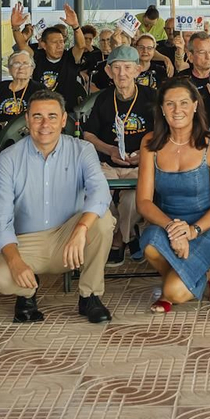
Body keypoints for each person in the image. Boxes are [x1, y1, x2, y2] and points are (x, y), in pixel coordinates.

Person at [0, 89, 115, 324]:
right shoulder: (9, 158)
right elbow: (0, 219)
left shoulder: (82, 150)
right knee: (1, 276)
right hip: (27, 240)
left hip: (68, 237)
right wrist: (15, 262)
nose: (45, 124)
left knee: (103, 220)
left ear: (64, 120)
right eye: (37, 116)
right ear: (27, 120)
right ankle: (26, 295)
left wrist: (81, 229)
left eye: (52, 116)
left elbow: (100, 192)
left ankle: (90, 296)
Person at [137, 78, 210, 311]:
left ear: (195, 106)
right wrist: (173, 229)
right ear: (162, 109)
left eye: (183, 103)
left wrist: (192, 231)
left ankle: (207, 271)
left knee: (173, 293)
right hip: (168, 225)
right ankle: (205, 271)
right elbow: (143, 201)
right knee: (149, 244)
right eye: (170, 104)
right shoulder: (150, 143)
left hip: (208, 226)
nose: (177, 110)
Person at [82, 45, 158, 261]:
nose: (122, 73)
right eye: (116, 68)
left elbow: (162, 132)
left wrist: (144, 154)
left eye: (127, 67)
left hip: (141, 164)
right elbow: (88, 135)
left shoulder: (151, 97)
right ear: (108, 72)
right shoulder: (104, 99)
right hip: (109, 163)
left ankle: (119, 238)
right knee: (97, 193)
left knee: (133, 200)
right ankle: (128, 235)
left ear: (138, 70)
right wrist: (110, 150)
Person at [15, 22, 85, 115]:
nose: (59, 45)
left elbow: (81, 46)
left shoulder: (69, 57)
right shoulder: (37, 57)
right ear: (44, 45)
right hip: (40, 110)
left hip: (67, 112)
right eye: (55, 42)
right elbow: (22, 46)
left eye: (61, 41)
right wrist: (15, 27)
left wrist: (76, 26)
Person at [0, 48, 34, 148]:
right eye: (16, 64)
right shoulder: (0, 87)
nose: (21, 68)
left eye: (25, 64)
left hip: (26, 139)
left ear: (32, 69)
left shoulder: (39, 90)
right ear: (9, 68)